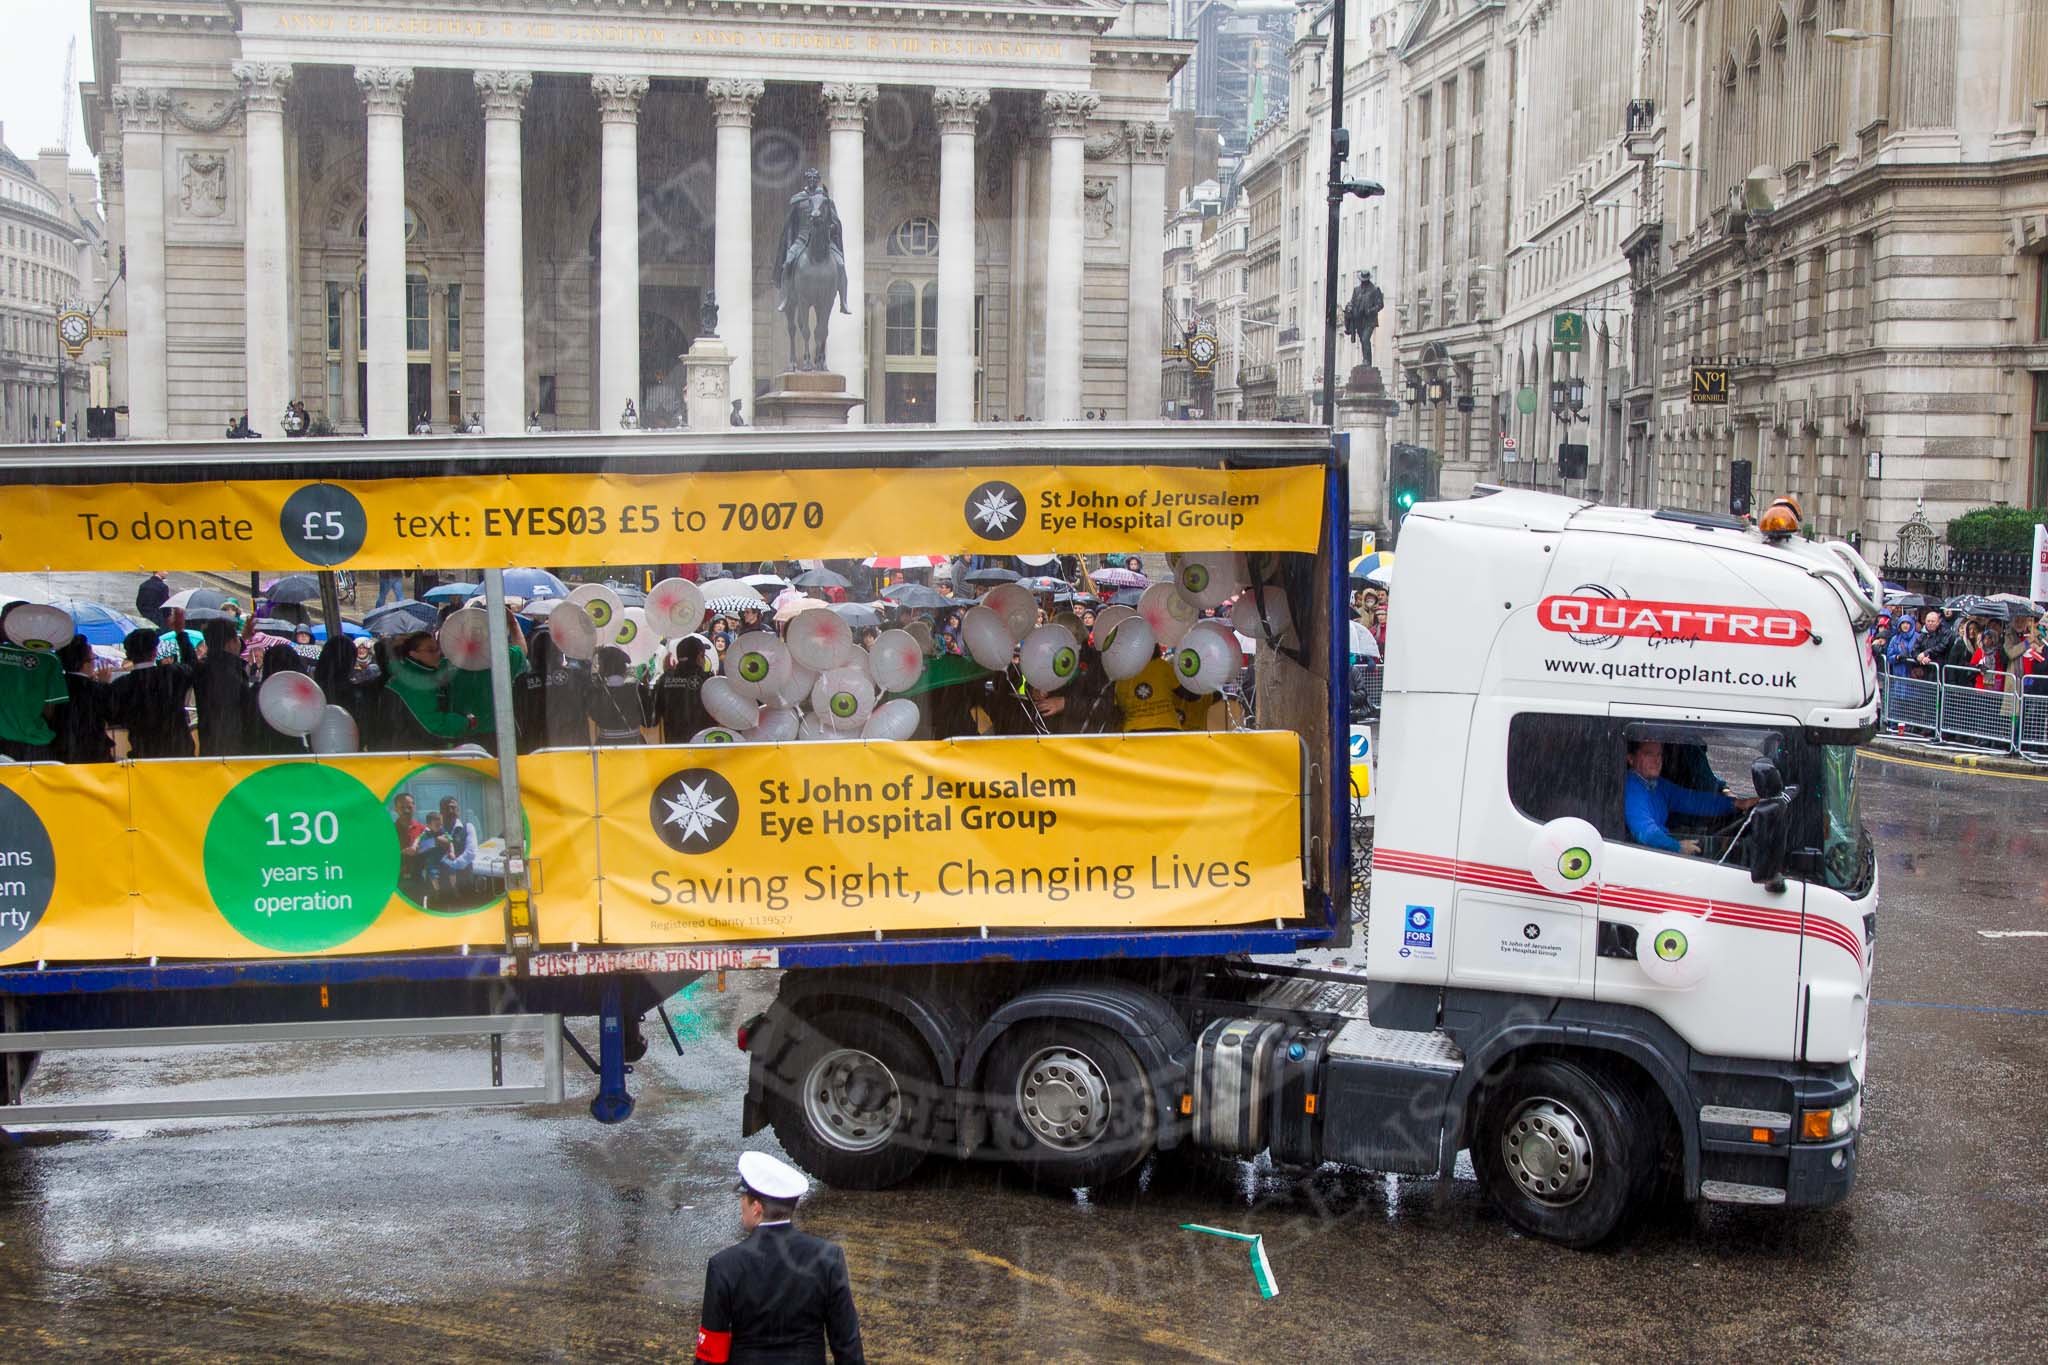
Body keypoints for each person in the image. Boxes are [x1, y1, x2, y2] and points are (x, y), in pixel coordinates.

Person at [694, 1151, 865, 1365]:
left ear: (756, 1208)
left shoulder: (724, 1266)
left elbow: (711, 1353)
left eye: (743, 1198)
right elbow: (847, 1345)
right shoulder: (828, 1258)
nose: (741, 1205)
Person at [1623, 739, 1756, 855]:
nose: (1657, 760)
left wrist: (1735, 804)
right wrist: (1677, 847)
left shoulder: (1656, 785)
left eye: (1659, 754)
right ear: (1630, 758)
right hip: (1645, 855)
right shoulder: (1632, 789)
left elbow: (1692, 801)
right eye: (1649, 754)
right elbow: (1646, 833)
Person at [108, 625, 195, 759]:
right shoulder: (172, 673)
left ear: (129, 655)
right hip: (179, 750)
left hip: (144, 753)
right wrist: (180, 633)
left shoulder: (121, 685)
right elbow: (192, 665)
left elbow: (115, 717)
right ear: (155, 652)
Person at [53, 637, 116, 764]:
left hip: (61, 750)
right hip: (93, 751)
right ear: (85, 664)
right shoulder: (95, 689)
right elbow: (111, 714)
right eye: (94, 659)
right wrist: (104, 685)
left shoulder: (56, 686)